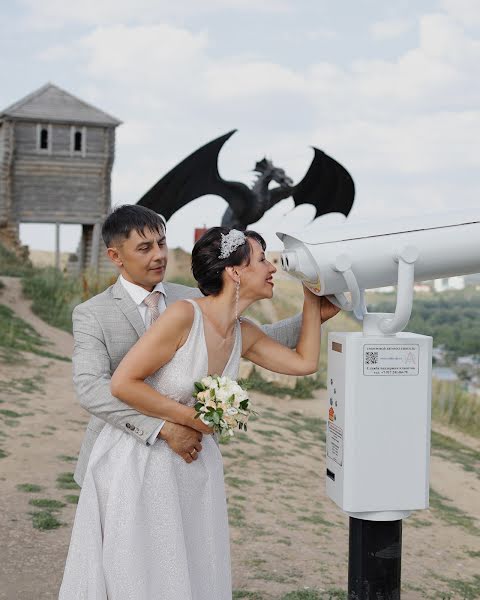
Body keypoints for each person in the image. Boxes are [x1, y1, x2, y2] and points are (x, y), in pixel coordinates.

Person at [60, 224, 339, 599]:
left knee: (191, 563)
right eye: (262, 260)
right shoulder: (179, 313)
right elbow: (114, 385)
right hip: (139, 460)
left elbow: (303, 362)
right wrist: (189, 422)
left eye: (161, 243)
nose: (272, 268)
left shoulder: (240, 328)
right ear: (235, 271)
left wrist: (313, 304)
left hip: (194, 465)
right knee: (142, 570)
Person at [72, 205, 304, 488]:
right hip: (118, 462)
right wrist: (162, 428)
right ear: (115, 256)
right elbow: (92, 389)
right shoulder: (92, 313)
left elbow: (258, 338)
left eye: (161, 243)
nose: (159, 255)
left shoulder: (195, 298)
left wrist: (317, 312)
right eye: (145, 248)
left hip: (188, 464)